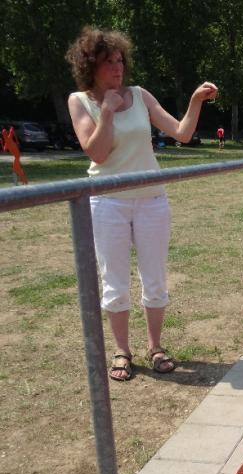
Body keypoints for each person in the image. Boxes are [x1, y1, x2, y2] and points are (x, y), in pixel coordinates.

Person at [66, 27, 217, 381]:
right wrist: (106, 111)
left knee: (155, 278)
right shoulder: (79, 101)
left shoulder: (140, 95)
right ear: (91, 65)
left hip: (152, 201)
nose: (117, 68)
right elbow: (97, 152)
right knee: (114, 281)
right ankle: (122, 351)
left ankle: (155, 347)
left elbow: (182, 133)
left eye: (120, 60)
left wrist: (195, 100)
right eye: (109, 62)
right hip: (108, 203)